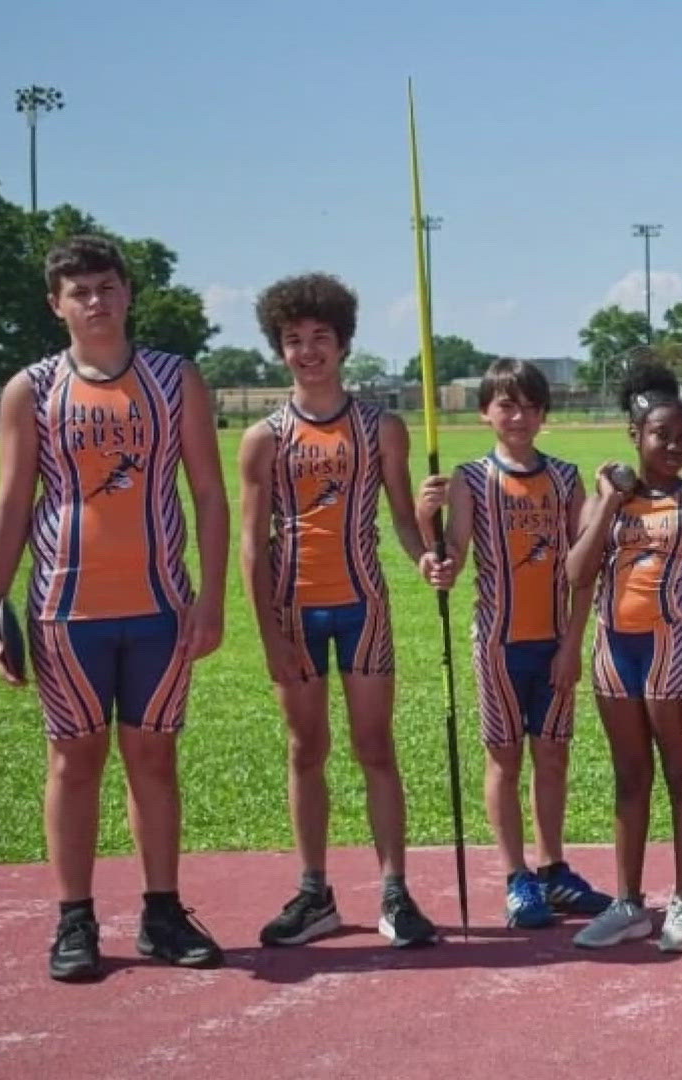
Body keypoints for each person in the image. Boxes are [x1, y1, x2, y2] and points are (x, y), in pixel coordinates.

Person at [0, 235, 229, 981]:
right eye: (78, 290)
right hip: (64, 607)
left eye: (107, 286)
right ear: (56, 305)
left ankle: (160, 911)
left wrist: (210, 598)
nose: (95, 300)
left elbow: (209, 495)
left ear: (128, 294)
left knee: (154, 758)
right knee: (73, 759)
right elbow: (13, 498)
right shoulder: (31, 389)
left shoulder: (173, 379)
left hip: (158, 607)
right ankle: (74, 920)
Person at [239, 273, 439, 949]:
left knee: (375, 748)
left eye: (320, 338)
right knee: (306, 750)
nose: (308, 352)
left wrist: (426, 557)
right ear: (279, 349)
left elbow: (405, 521)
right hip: (295, 610)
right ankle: (314, 890)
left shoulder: (380, 428)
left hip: (363, 609)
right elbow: (250, 546)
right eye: (293, 340)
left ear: (344, 344)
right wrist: (269, 638)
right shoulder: (264, 439)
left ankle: (394, 891)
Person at [416, 360, 611, 928]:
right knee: (504, 758)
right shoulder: (470, 479)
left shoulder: (565, 479)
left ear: (544, 414)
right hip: (499, 643)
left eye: (528, 405)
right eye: (505, 405)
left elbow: (585, 566)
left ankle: (553, 871)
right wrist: (429, 526)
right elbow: (450, 562)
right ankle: (516, 875)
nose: (518, 416)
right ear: (485, 413)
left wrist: (574, 642)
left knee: (552, 755)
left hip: (554, 642)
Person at [567, 359, 682, 953]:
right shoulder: (612, 499)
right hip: (614, 652)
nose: (673, 445)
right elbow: (577, 573)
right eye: (660, 434)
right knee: (630, 779)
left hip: (673, 652)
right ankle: (629, 903)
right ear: (635, 436)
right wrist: (609, 503)